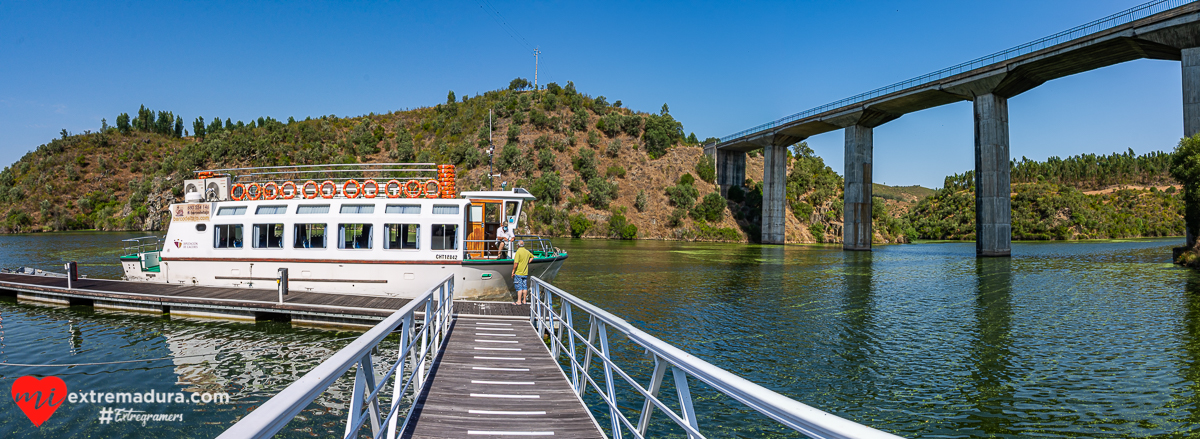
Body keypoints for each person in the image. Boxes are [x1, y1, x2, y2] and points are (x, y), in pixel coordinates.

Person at [511, 240, 533, 305]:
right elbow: (532, 257)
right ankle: (524, 300)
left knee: (519, 287)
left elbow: (516, 263)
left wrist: (513, 271)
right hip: (525, 273)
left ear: (518, 245)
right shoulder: (527, 252)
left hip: (519, 273)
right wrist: (528, 262)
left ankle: (519, 301)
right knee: (525, 287)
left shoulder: (518, 252)